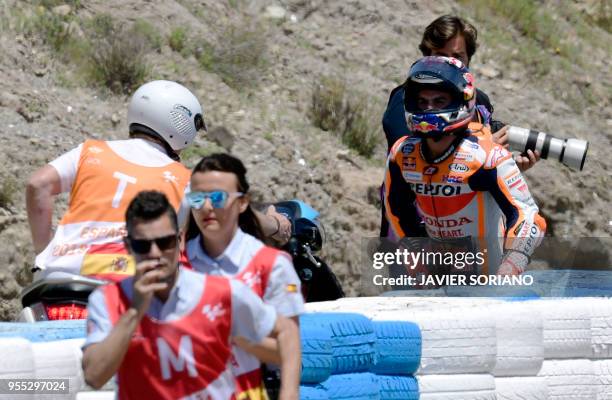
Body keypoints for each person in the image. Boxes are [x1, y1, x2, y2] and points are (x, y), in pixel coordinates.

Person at [26, 80, 290, 282]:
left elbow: (38, 184)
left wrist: (46, 248)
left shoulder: (91, 151)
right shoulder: (184, 180)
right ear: (181, 125)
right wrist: (276, 225)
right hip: (127, 282)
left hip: (57, 279)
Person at [82, 190, 300, 400]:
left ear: (179, 242)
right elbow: (94, 376)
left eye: (164, 242)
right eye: (142, 245)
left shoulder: (220, 292)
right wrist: (134, 313)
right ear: (128, 247)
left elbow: (287, 337)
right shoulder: (107, 300)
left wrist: (233, 339)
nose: (155, 253)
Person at [384, 56, 546, 275]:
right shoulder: (401, 154)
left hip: (490, 278)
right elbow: (397, 208)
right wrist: (416, 254)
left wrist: (512, 265)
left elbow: (527, 214)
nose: (429, 108)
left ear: (462, 100)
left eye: (439, 101)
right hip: (437, 278)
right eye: (422, 101)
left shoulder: (488, 156)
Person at [182, 153, 304, 400]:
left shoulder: (272, 266)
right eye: (197, 199)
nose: (206, 207)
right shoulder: (179, 264)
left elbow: (289, 351)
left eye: (217, 198)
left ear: (242, 203)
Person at [382, 15, 540, 170]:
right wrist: (484, 153)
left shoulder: (479, 101)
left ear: (468, 60)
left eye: (457, 57)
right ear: (427, 56)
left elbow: (484, 169)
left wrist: (508, 165)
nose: (450, 64)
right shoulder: (406, 101)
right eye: (441, 56)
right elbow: (407, 165)